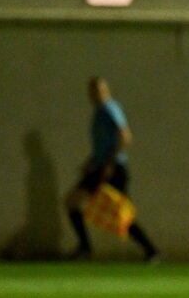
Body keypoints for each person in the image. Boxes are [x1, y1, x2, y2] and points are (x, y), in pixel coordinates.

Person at [64, 77, 159, 262]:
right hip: (101, 167)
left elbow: (125, 137)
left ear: (107, 90)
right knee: (72, 201)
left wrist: (109, 163)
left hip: (113, 169)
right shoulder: (99, 112)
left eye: (100, 90)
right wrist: (91, 162)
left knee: (121, 212)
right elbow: (103, 144)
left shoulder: (110, 108)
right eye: (93, 91)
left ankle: (152, 251)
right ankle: (85, 248)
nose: (96, 94)